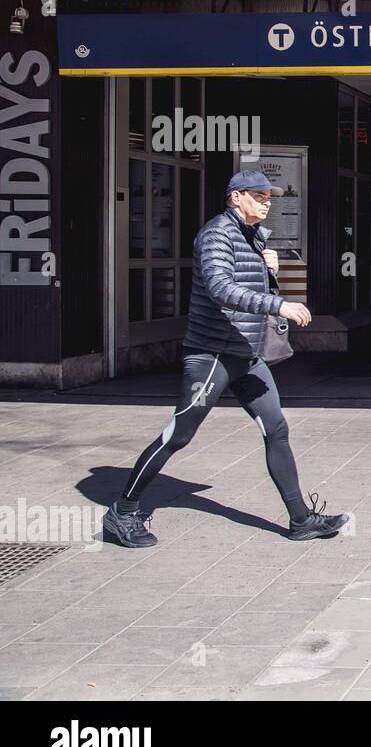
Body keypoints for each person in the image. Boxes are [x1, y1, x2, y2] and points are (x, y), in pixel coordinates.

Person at [103, 170, 349, 548]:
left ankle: (301, 519)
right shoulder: (217, 233)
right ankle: (122, 512)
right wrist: (279, 303)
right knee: (178, 436)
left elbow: (248, 291)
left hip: (246, 355)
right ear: (236, 197)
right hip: (212, 355)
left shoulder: (251, 236)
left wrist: (271, 274)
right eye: (260, 195)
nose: (268, 201)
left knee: (277, 429)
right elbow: (221, 289)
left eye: (270, 196)